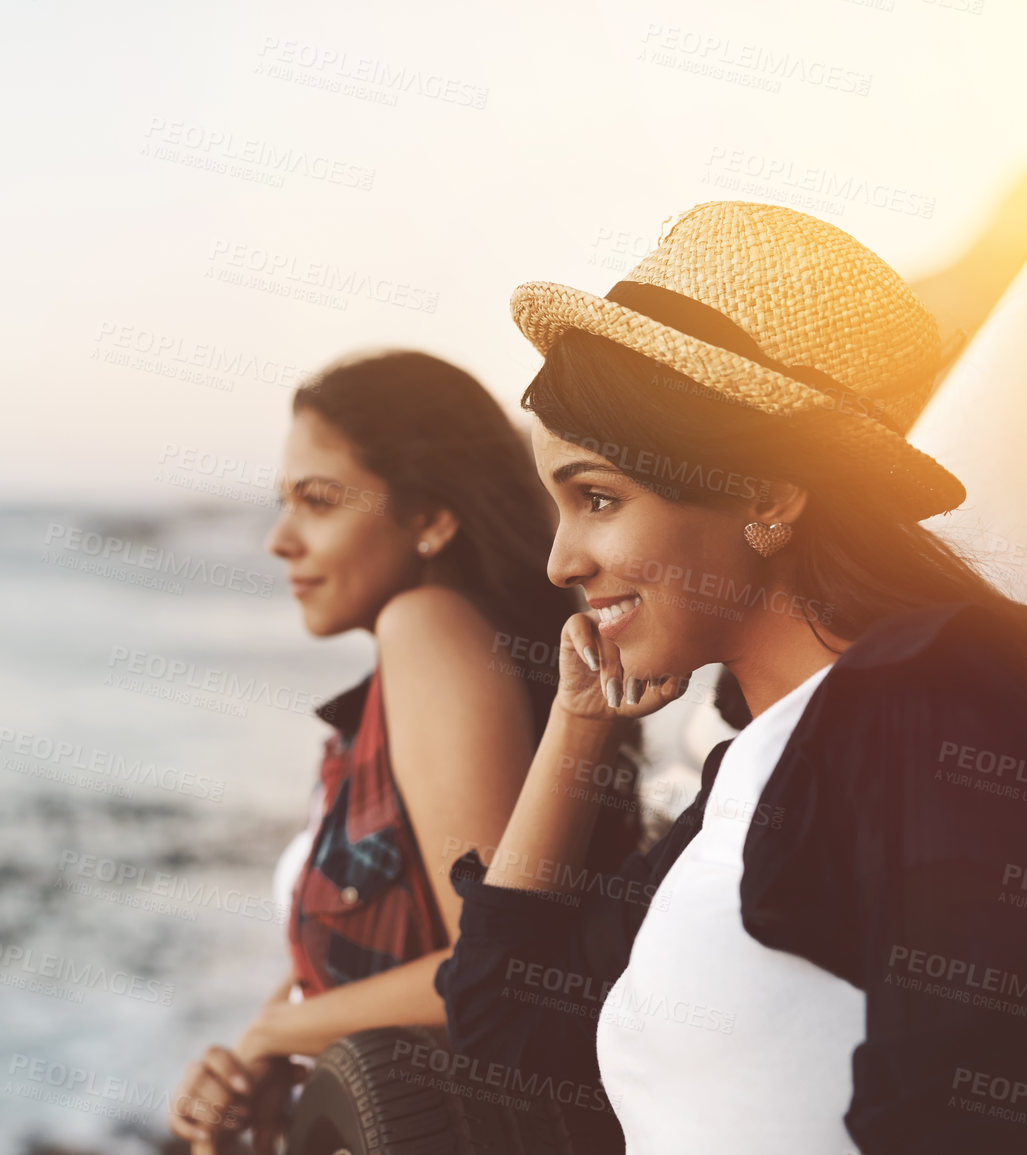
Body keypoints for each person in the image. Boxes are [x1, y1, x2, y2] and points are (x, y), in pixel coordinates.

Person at [435, 200, 1027, 1154]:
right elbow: (509, 1034)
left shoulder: (925, 705)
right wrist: (576, 724)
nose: (559, 562)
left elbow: (963, 1108)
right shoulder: (760, 765)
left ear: (765, 495)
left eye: (596, 498)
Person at [166, 351, 638, 1152]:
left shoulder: (426, 625)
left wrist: (276, 1031)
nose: (280, 539)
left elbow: (492, 962)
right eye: (282, 503)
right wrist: (273, 1045)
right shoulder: (442, 651)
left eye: (317, 501)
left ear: (429, 517)